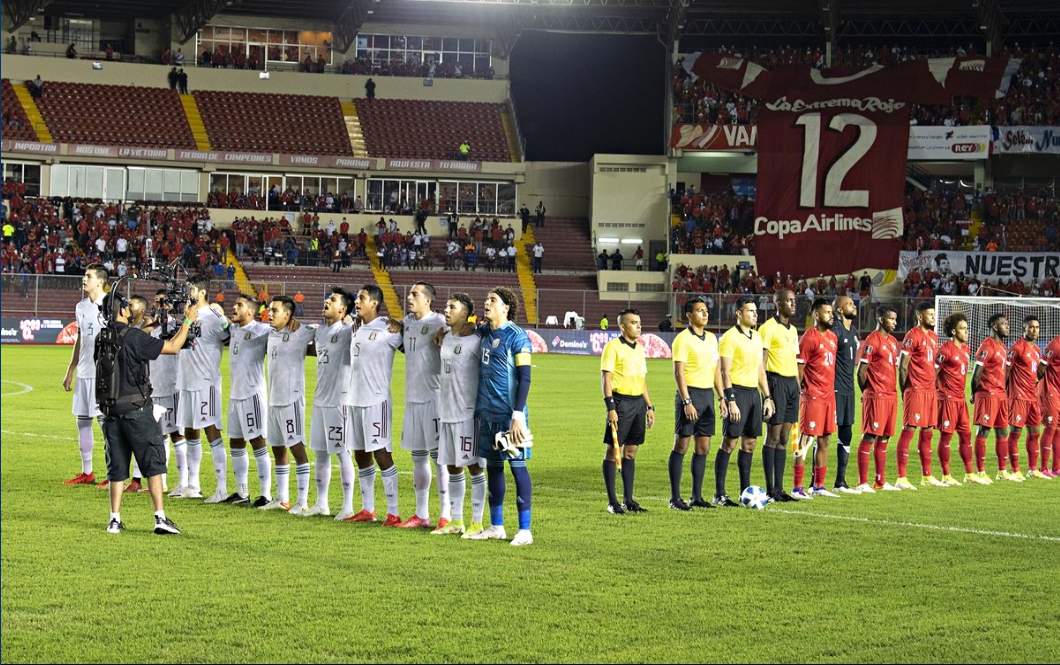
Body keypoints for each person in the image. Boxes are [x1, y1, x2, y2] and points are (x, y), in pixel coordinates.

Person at [98, 291, 197, 535]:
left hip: (111, 411)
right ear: (122, 310)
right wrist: (187, 321)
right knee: (153, 462)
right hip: (136, 410)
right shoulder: (134, 337)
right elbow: (173, 347)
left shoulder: (102, 337)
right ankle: (160, 517)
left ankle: (114, 519)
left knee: (117, 467)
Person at [466, 287, 534, 546]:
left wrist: (518, 415)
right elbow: (466, 323)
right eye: (486, 299)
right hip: (487, 413)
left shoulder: (518, 336)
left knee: (517, 467)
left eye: (493, 300)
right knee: (494, 467)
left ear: (506, 307)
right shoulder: (483, 331)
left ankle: (525, 530)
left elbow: (525, 377)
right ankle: (497, 527)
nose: (486, 303)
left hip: (509, 415)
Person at [392, 282, 450, 529]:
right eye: (410, 293)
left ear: (428, 300)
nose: (409, 297)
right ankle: (421, 514)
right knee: (417, 457)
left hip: (434, 398)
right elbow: (409, 347)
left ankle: (446, 514)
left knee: (439, 459)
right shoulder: (407, 323)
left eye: (415, 294)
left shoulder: (440, 323)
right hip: (412, 399)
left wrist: (449, 332)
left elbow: (464, 329)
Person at [345, 285, 404, 526]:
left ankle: (394, 511)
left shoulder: (389, 329)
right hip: (354, 399)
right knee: (360, 454)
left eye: (362, 298)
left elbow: (411, 344)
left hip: (376, 400)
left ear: (375, 303)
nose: (357, 302)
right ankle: (368, 509)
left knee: (381, 453)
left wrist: (402, 323)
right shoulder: (356, 328)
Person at [171, 274, 230, 500]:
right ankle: (193, 486)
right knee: (189, 431)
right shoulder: (189, 315)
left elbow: (229, 336)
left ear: (203, 292)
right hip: (186, 380)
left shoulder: (213, 316)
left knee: (211, 431)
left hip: (206, 381)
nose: (189, 293)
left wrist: (222, 316)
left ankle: (222, 488)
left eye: (192, 289)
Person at [432, 294, 486, 536]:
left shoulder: (476, 340)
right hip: (446, 412)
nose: (446, 310)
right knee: (453, 467)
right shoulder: (444, 338)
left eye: (452, 307)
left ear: (465, 314)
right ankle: (456, 520)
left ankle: (477, 522)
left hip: (468, 414)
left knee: (474, 466)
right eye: (446, 306)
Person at [715, 296, 775, 506]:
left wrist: (767, 396)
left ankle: (745, 492)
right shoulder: (729, 338)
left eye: (756, 311)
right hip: (737, 392)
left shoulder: (757, 337)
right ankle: (719, 494)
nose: (755, 314)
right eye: (750, 311)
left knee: (749, 444)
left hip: (753, 394)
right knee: (730, 442)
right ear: (739, 313)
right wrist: (730, 400)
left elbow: (760, 370)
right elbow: (724, 371)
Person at [668, 298, 724, 511]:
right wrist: (687, 401)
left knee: (703, 447)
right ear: (689, 315)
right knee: (681, 445)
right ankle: (675, 498)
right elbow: (678, 373)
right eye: (699, 311)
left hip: (707, 395)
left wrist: (722, 398)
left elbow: (716, 371)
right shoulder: (682, 340)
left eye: (706, 310)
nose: (705, 314)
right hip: (690, 395)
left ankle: (696, 496)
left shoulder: (711, 338)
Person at [262, 296, 315, 514]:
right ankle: (282, 498)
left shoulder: (300, 333)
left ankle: (302, 502)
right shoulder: (271, 334)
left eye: (275, 311)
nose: (270, 314)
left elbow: (321, 332)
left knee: (296, 447)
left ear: (288, 314)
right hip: (273, 399)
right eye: (269, 310)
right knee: (277, 448)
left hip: (291, 399)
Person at [307, 288, 357, 519]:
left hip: (340, 400)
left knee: (342, 452)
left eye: (333, 300)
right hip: (320, 400)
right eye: (327, 298)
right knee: (320, 452)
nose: (327, 301)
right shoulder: (320, 332)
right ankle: (321, 503)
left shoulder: (348, 330)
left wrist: (354, 320)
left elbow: (364, 328)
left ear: (343, 309)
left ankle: (348, 507)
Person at [600, 308, 654, 514]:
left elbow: (642, 380)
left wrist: (649, 406)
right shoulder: (612, 347)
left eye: (639, 322)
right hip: (620, 403)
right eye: (634, 323)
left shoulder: (639, 349)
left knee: (631, 452)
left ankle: (628, 500)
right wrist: (610, 407)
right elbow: (606, 379)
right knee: (614, 452)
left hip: (638, 403)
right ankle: (612, 502)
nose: (639, 326)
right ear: (622, 326)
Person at [222, 294, 272, 505]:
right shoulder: (234, 329)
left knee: (257, 441)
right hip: (235, 395)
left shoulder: (261, 330)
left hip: (252, 394)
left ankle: (266, 495)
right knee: (235, 441)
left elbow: (281, 330)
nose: (234, 307)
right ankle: (242, 493)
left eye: (239, 305)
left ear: (251, 312)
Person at [63, 264, 108, 486]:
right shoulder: (80, 307)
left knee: (107, 425)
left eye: (88, 276)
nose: (84, 279)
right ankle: (87, 472)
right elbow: (80, 339)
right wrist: (70, 369)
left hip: (103, 375)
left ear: (100, 281)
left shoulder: (111, 305)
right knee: (83, 422)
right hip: (84, 373)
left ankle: (113, 474)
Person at [791, 299, 840, 498]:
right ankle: (797, 487)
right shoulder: (808, 338)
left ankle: (818, 486)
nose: (831, 315)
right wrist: (798, 396)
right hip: (812, 398)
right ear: (817, 315)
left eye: (831, 312)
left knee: (825, 440)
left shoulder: (832, 337)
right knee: (804, 441)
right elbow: (799, 371)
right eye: (827, 312)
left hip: (829, 398)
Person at [895, 301, 946, 489]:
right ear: (919, 316)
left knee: (928, 433)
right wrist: (904, 391)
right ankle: (901, 478)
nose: (933, 317)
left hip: (930, 391)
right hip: (915, 390)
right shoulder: (912, 335)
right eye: (929, 314)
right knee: (908, 431)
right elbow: (902, 366)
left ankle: (927, 476)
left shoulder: (933, 336)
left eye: (934, 314)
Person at [855, 304, 901, 493]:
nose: (895, 322)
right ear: (881, 319)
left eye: (895, 319)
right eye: (892, 318)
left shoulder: (891, 341)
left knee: (884, 439)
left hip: (891, 395)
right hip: (876, 396)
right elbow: (861, 372)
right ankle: (862, 482)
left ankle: (880, 482)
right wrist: (868, 392)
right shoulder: (872, 341)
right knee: (870, 436)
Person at [759, 289, 799, 502]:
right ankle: (770, 489)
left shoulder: (792, 330)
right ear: (777, 303)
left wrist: (798, 388)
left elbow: (794, 359)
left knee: (784, 438)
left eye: (794, 300)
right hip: (776, 382)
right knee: (773, 437)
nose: (793, 304)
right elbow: (761, 363)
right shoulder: (767, 328)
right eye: (789, 300)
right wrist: (767, 395)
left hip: (792, 384)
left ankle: (780, 489)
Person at [935, 312, 984, 484]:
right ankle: (946, 476)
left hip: (960, 399)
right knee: (946, 437)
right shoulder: (944, 351)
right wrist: (936, 394)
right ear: (954, 331)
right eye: (962, 329)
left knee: (966, 435)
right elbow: (933, 373)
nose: (966, 332)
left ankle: (969, 474)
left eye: (966, 328)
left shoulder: (965, 349)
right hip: (947, 399)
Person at [147, 290, 186, 494]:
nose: (160, 305)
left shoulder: (177, 327)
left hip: (172, 387)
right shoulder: (148, 327)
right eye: (157, 301)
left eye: (164, 302)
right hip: (152, 387)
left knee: (177, 434)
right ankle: (160, 482)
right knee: (157, 435)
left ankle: (184, 482)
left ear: (171, 305)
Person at [972, 314, 1017, 482]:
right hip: (987, 394)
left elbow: (1005, 374)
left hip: (1000, 395)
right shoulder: (987, 345)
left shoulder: (1003, 347)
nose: (1007, 326)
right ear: (995, 327)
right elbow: (976, 375)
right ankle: (980, 472)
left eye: (1007, 323)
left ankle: (1002, 471)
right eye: (1004, 324)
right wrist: (973, 393)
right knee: (984, 430)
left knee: (1002, 431)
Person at [830, 295, 861, 494]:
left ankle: (840, 481)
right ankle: (816, 482)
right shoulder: (835, 331)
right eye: (849, 304)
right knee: (823, 435)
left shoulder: (855, 332)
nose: (854, 305)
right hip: (834, 389)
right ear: (840, 310)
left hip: (849, 390)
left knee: (847, 434)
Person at [1007, 315, 1044, 478]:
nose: (1034, 330)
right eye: (1031, 327)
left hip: (1032, 397)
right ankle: (1015, 470)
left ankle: (1033, 469)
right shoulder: (1016, 348)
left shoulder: (1036, 350)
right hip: (1018, 397)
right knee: (1015, 432)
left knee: (1035, 432)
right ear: (1024, 329)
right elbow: (1006, 372)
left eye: (1036, 327)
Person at [1038, 335, 1060, 477]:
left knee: (1059, 429)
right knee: (1050, 427)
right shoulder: (1055, 345)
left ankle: (1056, 468)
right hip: (1050, 391)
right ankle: (1043, 468)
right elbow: (1041, 368)